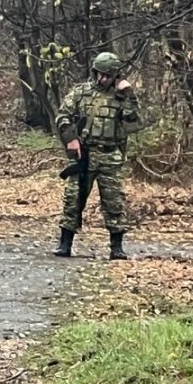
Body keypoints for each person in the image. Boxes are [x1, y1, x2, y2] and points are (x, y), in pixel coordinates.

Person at [53, 51, 142, 260]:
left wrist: (127, 94)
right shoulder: (81, 93)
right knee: (73, 198)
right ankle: (65, 243)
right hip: (85, 153)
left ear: (115, 76)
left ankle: (116, 247)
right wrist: (71, 139)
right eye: (99, 74)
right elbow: (63, 115)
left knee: (114, 201)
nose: (102, 79)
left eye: (107, 75)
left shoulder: (122, 97)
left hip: (110, 155)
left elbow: (134, 121)